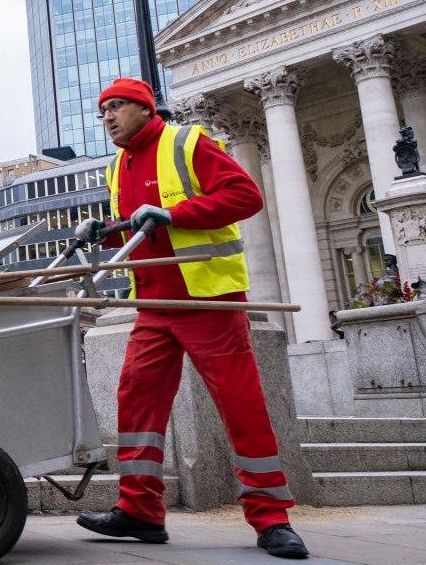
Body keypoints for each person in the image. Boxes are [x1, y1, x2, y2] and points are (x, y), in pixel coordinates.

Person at [73, 78, 308, 559]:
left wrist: (173, 213)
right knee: (137, 402)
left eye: (116, 108)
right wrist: (106, 233)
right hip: (155, 304)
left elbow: (245, 197)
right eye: (102, 112)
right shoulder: (119, 165)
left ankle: (271, 518)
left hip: (209, 300)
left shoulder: (186, 141)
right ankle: (139, 511)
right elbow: (145, 232)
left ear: (143, 109)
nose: (108, 118)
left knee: (240, 405)